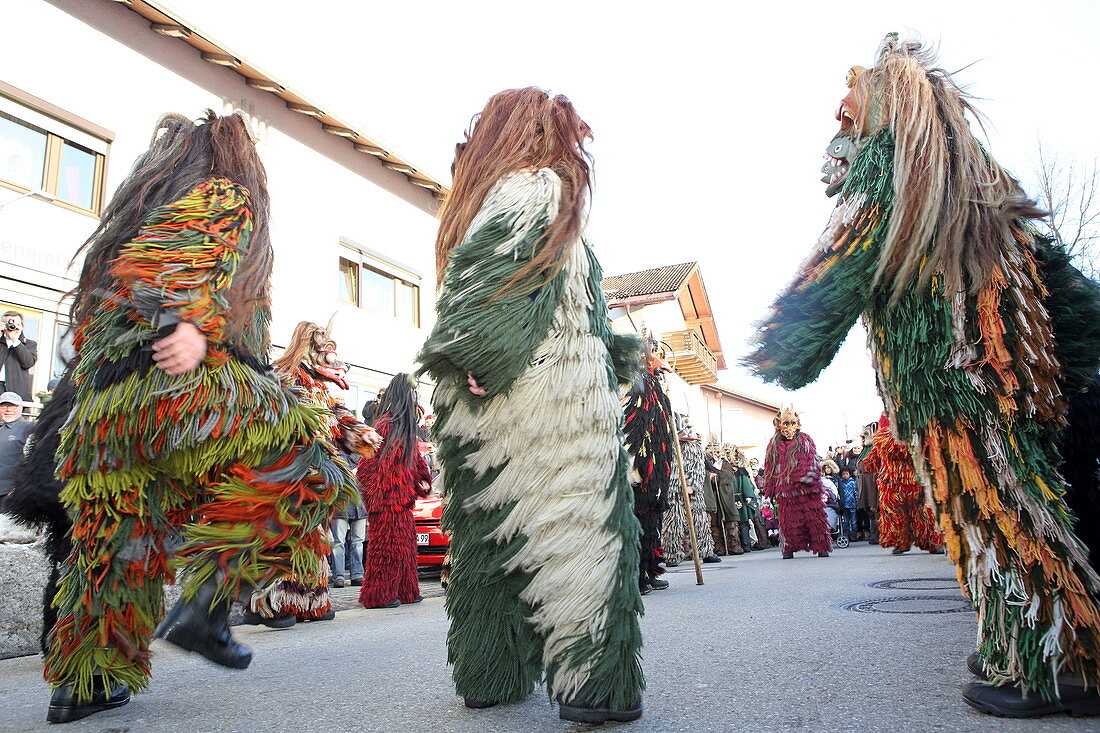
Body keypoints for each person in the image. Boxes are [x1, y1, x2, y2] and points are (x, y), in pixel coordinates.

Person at [744, 34, 1100, 715]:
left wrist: (783, 348)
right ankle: (1025, 640)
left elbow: (839, 263)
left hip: (954, 384)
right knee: (1003, 506)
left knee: (1001, 516)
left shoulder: (889, 169)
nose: (838, 111)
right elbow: (1058, 277)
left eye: (850, 95)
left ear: (887, 105)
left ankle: (1058, 660)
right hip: (1007, 384)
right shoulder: (974, 173)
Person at [39, 111, 358, 724]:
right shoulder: (223, 193)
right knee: (308, 464)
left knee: (119, 546)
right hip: (174, 390)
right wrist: (184, 322)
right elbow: (186, 253)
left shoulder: (125, 229)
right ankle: (208, 605)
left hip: (104, 420)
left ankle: (85, 683)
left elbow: (93, 327)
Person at [418, 87, 644, 724]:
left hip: (483, 412)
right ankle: (593, 682)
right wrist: (478, 352)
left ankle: (491, 671)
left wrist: (616, 351)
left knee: (491, 542)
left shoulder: (500, 196)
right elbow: (500, 276)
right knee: (581, 535)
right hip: (549, 405)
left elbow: (542, 296)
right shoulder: (538, 188)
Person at [244, 321, 378, 627]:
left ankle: (311, 602)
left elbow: (336, 416)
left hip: (317, 475)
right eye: (321, 352)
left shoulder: (319, 388)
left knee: (316, 538)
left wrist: (360, 432)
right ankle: (273, 604)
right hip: (287, 473)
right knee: (286, 537)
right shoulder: (282, 378)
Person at [357, 373, 432, 609]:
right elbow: (365, 464)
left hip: (401, 500)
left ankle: (406, 591)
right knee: (386, 549)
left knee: (406, 548)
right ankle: (377, 596)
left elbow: (416, 459)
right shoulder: (385, 425)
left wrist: (422, 480)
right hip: (387, 501)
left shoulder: (402, 428)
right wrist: (378, 496)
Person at [862, 413, 944, 555]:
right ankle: (907, 542)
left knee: (919, 512)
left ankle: (927, 541)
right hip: (893, 482)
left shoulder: (903, 436)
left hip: (909, 480)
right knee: (899, 513)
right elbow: (874, 459)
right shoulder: (891, 435)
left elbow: (877, 457)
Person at [624, 357, 673, 593]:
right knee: (637, 525)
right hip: (639, 471)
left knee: (652, 525)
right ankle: (636, 577)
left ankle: (650, 571)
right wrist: (632, 466)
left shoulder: (658, 394)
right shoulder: (638, 386)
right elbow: (632, 430)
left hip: (656, 474)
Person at [762, 406, 831, 559]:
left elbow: (812, 460)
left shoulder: (805, 440)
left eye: (793, 423)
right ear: (778, 425)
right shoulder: (773, 445)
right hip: (785, 490)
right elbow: (769, 467)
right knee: (788, 520)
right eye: (785, 424)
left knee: (814, 518)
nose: (789, 428)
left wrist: (804, 477)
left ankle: (821, 546)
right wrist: (770, 488)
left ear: (798, 424)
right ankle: (789, 548)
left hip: (806, 489)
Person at [662, 426, 719, 567]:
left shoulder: (694, 448)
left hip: (692, 493)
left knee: (700, 522)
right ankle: (672, 555)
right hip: (672, 492)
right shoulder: (666, 448)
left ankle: (706, 552)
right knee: (672, 524)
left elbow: (698, 469)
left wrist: (691, 486)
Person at [0, 391, 32, 504]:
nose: (8, 410)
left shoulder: (30, 428)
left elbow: (34, 462)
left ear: (21, 408)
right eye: (4, 406)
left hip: (10, 495)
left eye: (13, 406)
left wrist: (18, 487)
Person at [0, 310, 37, 401]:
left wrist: (15, 341)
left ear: (22, 327)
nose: (12, 326)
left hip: (17, 392)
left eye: (17, 324)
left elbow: (28, 363)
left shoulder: (29, 344)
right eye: (8, 323)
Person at [837, 469, 858, 539]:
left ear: (849, 475)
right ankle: (847, 535)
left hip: (852, 505)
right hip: (844, 505)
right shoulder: (841, 483)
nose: (845, 476)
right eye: (843, 474)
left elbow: (856, 493)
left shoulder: (853, 483)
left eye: (846, 474)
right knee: (845, 521)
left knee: (853, 521)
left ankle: (854, 535)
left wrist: (857, 501)